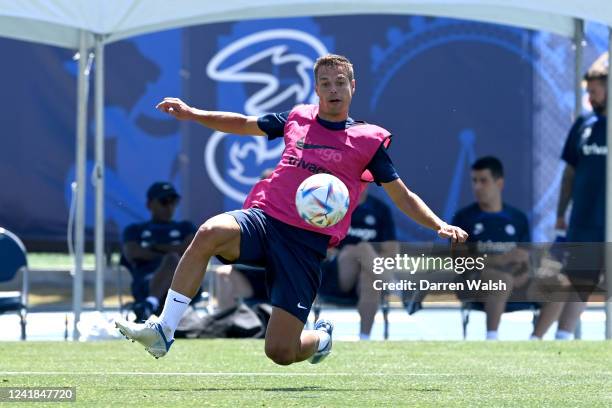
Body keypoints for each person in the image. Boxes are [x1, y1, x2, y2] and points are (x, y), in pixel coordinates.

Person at [115, 54, 468, 365]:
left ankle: (322, 339)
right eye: (325, 83)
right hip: (265, 220)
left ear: (353, 87)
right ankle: (163, 328)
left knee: (281, 352)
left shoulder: (367, 141)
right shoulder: (297, 117)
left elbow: (401, 193)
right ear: (316, 89)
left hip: (305, 245)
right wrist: (193, 114)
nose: (333, 89)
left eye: (340, 82)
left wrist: (439, 224)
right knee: (209, 232)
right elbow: (242, 123)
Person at [452, 157, 564, 340]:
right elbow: (459, 260)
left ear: (499, 183)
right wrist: (499, 260)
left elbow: (526, 255)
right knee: (501, 280)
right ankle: (492, 340)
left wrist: (526, 271)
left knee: (558, 283)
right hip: (476, 282)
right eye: (474, 181)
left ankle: (535, 341)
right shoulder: (464, 218)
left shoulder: (517, 218)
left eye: (483, 181)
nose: (477, 187)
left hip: (518, 282)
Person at [554, 52, 608, 340]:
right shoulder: (584, 125)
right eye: (588, 92)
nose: (591, 98)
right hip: (584, 222)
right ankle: (562, 340)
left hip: (608, 222)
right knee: (578, 282)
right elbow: (569, 174)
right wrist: (561, 213)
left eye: (595, 92)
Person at [122, 182, 197, 322]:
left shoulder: (185, 227)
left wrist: (156, 247)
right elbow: (133, 252)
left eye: (173, 202)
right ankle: (152, 304)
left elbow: (191, 249)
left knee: (173, 260)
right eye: (163, 202)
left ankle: (149, 305)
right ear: (150, 204)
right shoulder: (135, 230)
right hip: (146, 282)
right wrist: (172, 253)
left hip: (183, 284)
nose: (169, 207)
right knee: (173, 259)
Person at [330, 186, 398, 340]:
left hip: (370, 275)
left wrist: (369, 262)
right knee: (361, 247)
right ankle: (398, 288)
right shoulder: (333, 205)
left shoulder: (380, 209)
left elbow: (391, 250)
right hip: (338, 275)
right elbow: (325, 248)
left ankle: (364, 338)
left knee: (370, 277)